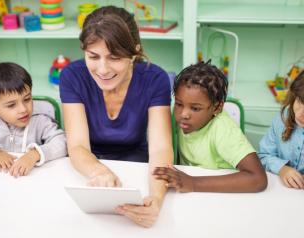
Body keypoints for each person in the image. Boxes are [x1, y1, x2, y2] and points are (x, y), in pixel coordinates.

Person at [59, 6, 173, 227]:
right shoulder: (72, 76)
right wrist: (99, 171)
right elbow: (77, 146)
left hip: (139, 170)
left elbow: (161, 149)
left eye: (115, 57)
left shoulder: (155, 79)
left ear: (134, 53)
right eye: (93, 56)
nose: (103, 69)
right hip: (87, 170)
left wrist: (156, 199)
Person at [154, 61, 267, 192]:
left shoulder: (223, 129)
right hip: (192, 191)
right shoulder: (178, 115)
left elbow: (258, 178)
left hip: (222, 194)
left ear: (217, 108)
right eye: (179, 104)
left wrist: (193, 183)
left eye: (195, 108)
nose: (183, 114)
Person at [258, 71, 304, 189]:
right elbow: (263, 155)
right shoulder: (282, 118)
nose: (300, 114)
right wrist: (282, 169)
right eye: (300, 101)